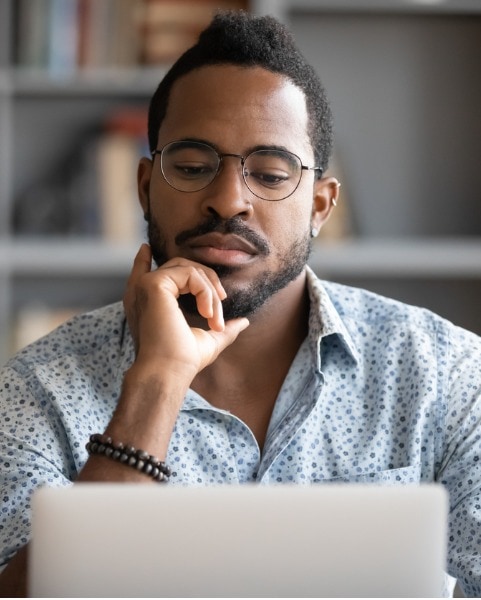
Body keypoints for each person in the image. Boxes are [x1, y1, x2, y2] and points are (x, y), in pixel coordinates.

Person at [1, 9, 480, 597]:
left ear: (321, 207)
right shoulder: (34, 392)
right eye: (194, 167)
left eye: (272, 174)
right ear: (146, 187)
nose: (228, 200)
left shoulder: (450, 377)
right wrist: (157, 384)